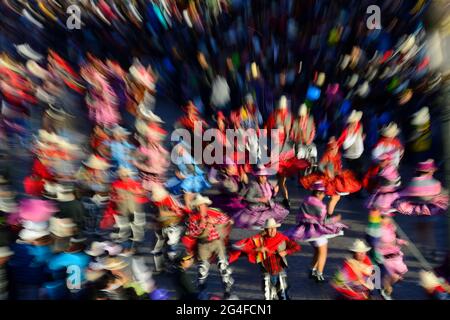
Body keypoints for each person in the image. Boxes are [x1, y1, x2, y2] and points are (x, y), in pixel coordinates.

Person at [286, 181, 347, 282]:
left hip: (307, 231)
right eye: (323, 193)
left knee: (317, 251)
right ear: (319, 193)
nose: (324, 195)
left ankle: (312, 270)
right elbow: (323, 222)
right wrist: (335, 219)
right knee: (323, 253)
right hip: (317, 232)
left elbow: (299, 216)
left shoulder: (306, 201)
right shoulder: (321, 206)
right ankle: (319, 274)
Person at [229, 218, 301, 300]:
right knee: (268, 295)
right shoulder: (259, 239)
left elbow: (296, 247)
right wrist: (257, 249)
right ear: (265, 230)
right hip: (266, 272)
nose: (272, 231)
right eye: (269, 229)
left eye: (273, 228)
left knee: (283, 293)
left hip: (279, 271)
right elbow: (243, 247)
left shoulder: (282, 238)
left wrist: (286, 251)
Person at [183, 195, 234, 299]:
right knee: (202, 269)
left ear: (205, 205)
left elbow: (227, 220)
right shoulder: (193, 217)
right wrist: (202, 225)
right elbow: (191, 233)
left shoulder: (214, 212)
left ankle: (227, 289)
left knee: (223, 266)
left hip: (216, 242)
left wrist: (215, 222)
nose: (199, 208)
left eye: (201, 205)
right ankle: (202, 291)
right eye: (198, 206)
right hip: (203, 244)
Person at [300, 137, 361, 215]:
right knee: (321, 197)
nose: (335, 150)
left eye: (336, 147)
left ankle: (328, 214)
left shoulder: (338, 154)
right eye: (333, 148)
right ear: (330, 148)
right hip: (327, 179)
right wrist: (327, 173)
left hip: (334, 178)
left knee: (335, 197)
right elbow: (320, 166)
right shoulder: (327, 154)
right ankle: (315, 212)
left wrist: (337, 172)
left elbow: (337, 166)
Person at [150, 185, 186, 273]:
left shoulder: (170, 200)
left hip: (173, 226)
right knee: (157, 248)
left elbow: (180, 213)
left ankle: (176, 268)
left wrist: (165, 214)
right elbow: (158, 214)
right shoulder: (157, 201)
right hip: (162, 225)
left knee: (172, 249)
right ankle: (160, 268)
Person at [337, 110, 365, 181]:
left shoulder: (359, 126)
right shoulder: (346, 131)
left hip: (359, 153)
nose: (355, 123)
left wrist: (361, 138)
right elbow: (345, 146)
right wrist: (350, 135)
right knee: (353, 173)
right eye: (353, 122)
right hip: (350, 155)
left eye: (356, 121)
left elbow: (359, 138)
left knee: (360, 171)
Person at [291, 103, 317, 175]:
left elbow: (313, 131)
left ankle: (312, 166)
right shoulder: (296, 122)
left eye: (303, 116)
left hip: (308, 142)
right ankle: (300, 170)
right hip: (299, 142)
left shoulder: (310, 121)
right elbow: (292, 134)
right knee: (300, 152)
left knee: (313, 150)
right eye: (301, 116)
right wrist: (296, 139)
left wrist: (309, 140)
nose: (302, 118)